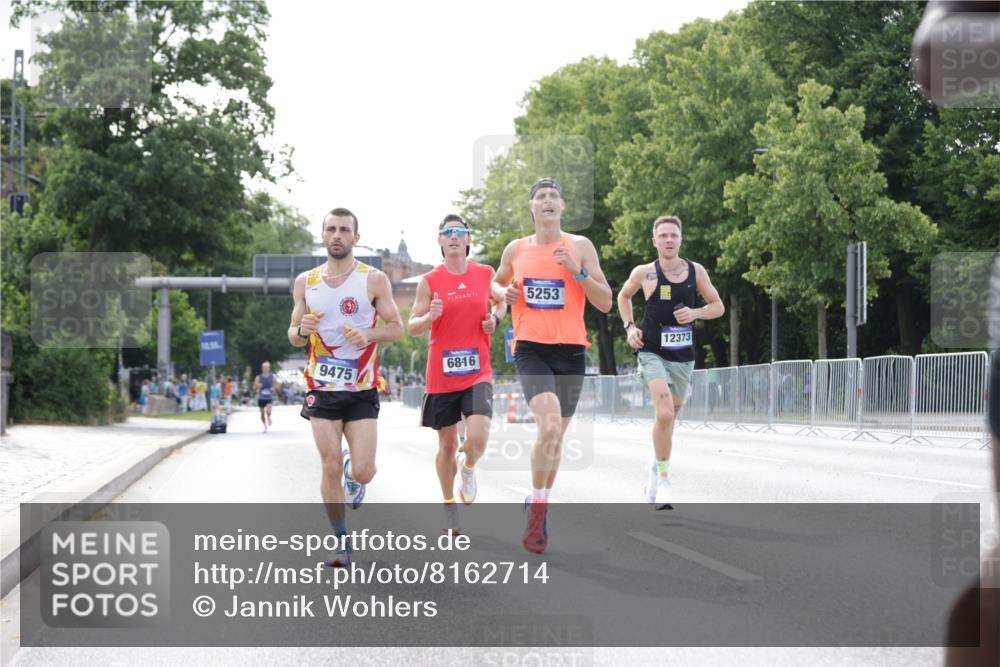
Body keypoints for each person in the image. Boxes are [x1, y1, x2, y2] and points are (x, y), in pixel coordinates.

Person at [491, 177, 613, 554]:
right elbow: (494, 286)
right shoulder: (516, 249)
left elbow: (606, 301)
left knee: (556, 437)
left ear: (562, 207)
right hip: (531, 349)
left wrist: (577, 270)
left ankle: (538, 501)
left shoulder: (580, 246)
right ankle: (537, 514)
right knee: (548, 425)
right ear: (532, 207)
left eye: (554, 196)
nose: (547, 200)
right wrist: (504, 293)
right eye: (541, 196)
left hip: (571, 351)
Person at [289, 207, 403, 566]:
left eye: (344, 230)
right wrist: (301, 330)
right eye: (331, 229)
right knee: (330, 464)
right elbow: (293, 335)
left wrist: (369, 333)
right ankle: (341, 542)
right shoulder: (306, 282)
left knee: (364, 470)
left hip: (361, 388)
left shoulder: (374, 280)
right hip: (321, 387)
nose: (337, 235)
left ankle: (356, 475)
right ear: (323, 235)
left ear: (356, 237)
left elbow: (396, 328)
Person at [616, 215, 724, 510]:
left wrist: (695, 313)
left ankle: (654, 466)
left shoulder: (695, 271)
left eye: (673, 235)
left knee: (670, 417)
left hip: (683, 356)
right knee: (664, 413)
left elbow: (718, 306)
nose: (668, 240)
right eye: (663, 236)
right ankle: (665, 481)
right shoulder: (645, 273)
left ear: (680, 240)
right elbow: (623, 297)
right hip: (651, 351)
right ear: (654, 241)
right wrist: (630, 328)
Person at [409, 214, 506, 533]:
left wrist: (495, 319)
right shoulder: (429, 281)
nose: (453, 236)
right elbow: (412, 326)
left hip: (478, 370)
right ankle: (449, 503)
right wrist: (429, 317)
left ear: (468, 239)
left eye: (459, 232)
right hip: (442, 374)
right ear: (440, 240)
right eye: (447, 232)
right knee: (448, 445)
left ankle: (469, 467)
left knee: (477, 438)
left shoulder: (484, 273)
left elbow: (501, 301)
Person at [253, 362, 279, 432]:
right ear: (262, 368)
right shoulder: (258, 377)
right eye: (264, 367)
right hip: (261, 397)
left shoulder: (272, 377)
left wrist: (274, 388)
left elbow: (277, 385)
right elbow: (254, 388)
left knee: (268, 410)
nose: (265, 369)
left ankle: (269, 416)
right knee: (262, 414)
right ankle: (265, 426)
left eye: (267, 367)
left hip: (269, 396)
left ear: (269, 368)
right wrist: (258, 386)